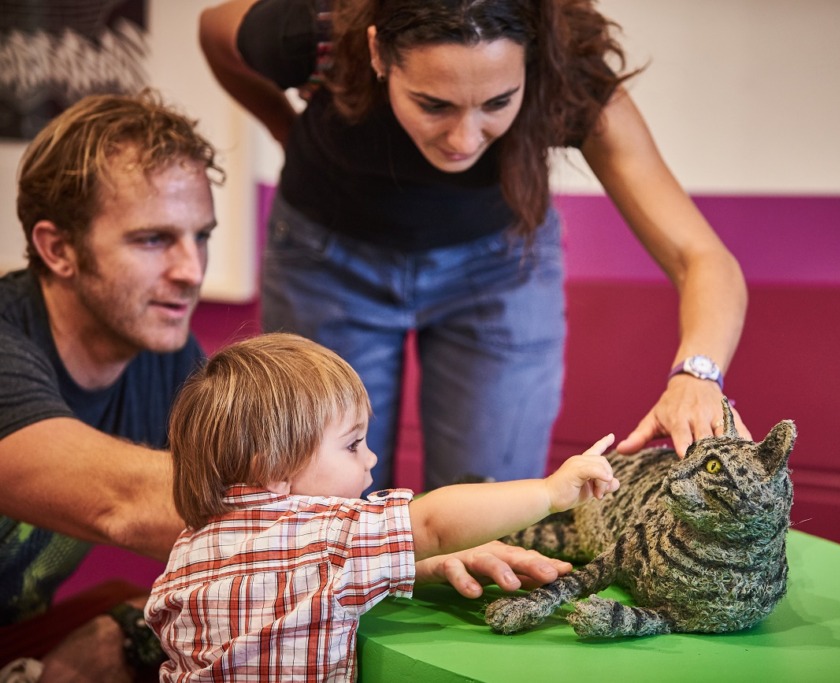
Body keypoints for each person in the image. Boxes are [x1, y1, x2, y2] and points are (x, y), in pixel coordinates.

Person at [0, 91, 575, 683]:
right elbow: (132, 505)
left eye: (200, 236)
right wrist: (393, 543)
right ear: (57, 249)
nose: (191, 270)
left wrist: (392, 560)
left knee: (125, 629)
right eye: (152, 240)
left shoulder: (161, 359)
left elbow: (239, 541)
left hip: (22, 634)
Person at [198, 0, 752, 493]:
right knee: (325, 500)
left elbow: (701, 256)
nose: (465, 139)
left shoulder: (571, 82)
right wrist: (283, 129)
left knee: (491, 501)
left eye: (497, 102)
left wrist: (698, 374)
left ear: (530, 64)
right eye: (433, 104)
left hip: (499, 270)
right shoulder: (317, 30)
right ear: (377, 53)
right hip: (327, 263)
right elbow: (215, 31)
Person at [145, 332, 618, 682]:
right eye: (353, 445)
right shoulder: (329, 536)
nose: (372, 459)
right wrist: (550, 492)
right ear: (273, 467)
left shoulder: (189, 548)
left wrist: (423, 565)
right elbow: (433, 521)